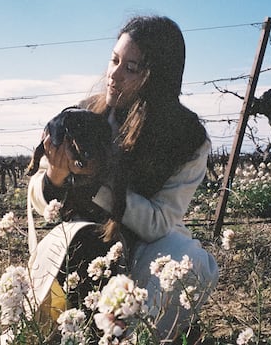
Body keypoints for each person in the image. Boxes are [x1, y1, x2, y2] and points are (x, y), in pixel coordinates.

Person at [27, 15, 219, 341]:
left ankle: (147, 334)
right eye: (114, 60)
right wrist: (57, 175)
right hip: (88, 242)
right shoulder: (86, 115)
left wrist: (102, 182)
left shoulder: (187, 140)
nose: (113, 75)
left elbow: (159, 223)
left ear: (158, 77)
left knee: (191, 262)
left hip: (148, 248)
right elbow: (40, 195)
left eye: (131, 68)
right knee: (76, 250)